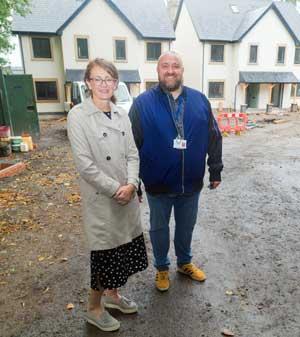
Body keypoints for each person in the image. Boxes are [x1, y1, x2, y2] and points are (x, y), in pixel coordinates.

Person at [129, 51, 223, 292]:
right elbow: (131, 146)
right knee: (159, 229)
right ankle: (162, 268)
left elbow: (214, 136)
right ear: (157, 70)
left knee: (186, 227)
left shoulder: (200, 100)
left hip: (190, 184)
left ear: (182, 70)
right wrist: (134, 182)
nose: (170, 71)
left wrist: (215, 170)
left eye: (176, 66)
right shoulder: (142, 104)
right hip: (158, 185)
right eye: (165, 66)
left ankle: (184, 263)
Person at [67, 58, 148, 331]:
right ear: (88, 82)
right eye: (98, 79)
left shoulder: (121, 113)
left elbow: (133, 153)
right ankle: (93, 308)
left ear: (116, 84)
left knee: (122, 251)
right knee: (104, 256)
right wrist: (117, 189)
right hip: (103, 199)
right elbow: (85, 166)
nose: (104, 84)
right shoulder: (78, 116)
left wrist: (133, 184)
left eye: (110, 79)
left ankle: (113, 297)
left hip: (127, 194)